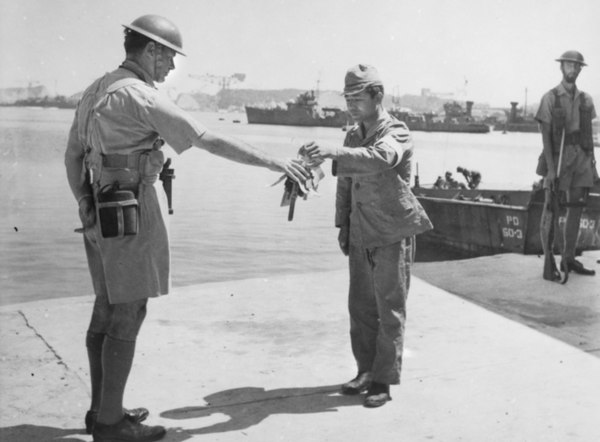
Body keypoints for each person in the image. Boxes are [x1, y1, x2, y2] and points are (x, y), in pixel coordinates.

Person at [64, 15, 308, 442]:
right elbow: (207, 138)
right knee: (129, 309)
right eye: (170, 57)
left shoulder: (95, 89)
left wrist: (86, 203)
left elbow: (71, 156)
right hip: (130, 210)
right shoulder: (141, 97)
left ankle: (103, 409)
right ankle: (109, 426)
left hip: (99, 211)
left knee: (105, 305)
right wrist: (274, 161)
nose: (172, 68)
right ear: (152, 50)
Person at [302, 64, 432, 407]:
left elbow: (380, 159)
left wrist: (332, 152)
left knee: (389, 308)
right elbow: (345, 185)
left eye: (358, 97)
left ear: (378, 96)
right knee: (360, 308)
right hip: (361, 231)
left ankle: (383, 382)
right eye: (347, 98)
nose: (351, 104)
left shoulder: (397, 131)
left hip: (391, 232)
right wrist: (343, 225)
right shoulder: (352, 135)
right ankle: (364, 371)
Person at [535, 50, 597, 279]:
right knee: (551, 209)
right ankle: (548, 260)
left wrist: (593, 165)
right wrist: (551, 170)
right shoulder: (550, 98)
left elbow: (588, 136)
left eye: (576, 66)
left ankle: (568, 259)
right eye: (568, 65)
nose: (572, 69)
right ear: (562, 68)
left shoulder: (586, 100)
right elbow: (545, 137)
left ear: (580, 69)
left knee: (576, 208)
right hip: (558, 158)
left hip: (581, 159)